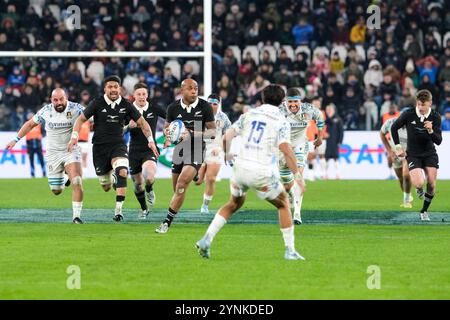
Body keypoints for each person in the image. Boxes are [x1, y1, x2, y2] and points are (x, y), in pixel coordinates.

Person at [195, 84, 306, 260]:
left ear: (262, 98)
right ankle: (290, 250)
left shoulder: (249, 114)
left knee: (233, 204)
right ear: (282, 102)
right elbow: (285, 147)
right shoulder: (281, 120)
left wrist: (226, 153)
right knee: (284, 203)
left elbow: (227, 136)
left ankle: (206, 239)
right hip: (261, 172)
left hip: (240, 169)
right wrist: (298, 177)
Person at [68, 75, 159, 222]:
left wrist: (151, 140)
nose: (113, 89)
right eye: (110, 87)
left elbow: (142, 122)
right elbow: (81, 119)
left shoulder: (126, 105)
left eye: (116, 87)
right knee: (106, 186)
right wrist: (74, 137)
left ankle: (118, 211)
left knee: (122, 171)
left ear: (120, 89)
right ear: (105, 89)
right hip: (99, 148)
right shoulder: (97, 103)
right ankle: (112, 177)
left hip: (118, 145)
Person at [6, 89, 84, 223]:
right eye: (55, 100)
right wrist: (15, 139)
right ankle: (66, 179)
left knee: (77, 181)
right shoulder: (46, 111)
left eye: (61, 99)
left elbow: (95, 116)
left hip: (70, 150)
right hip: (53, 154)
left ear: (66, 98)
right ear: (51, 100)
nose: (59, 102)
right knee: (56, 190)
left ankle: (76, 217)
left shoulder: (76, 108)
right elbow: (30, 124)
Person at [155, 79, 216, 233]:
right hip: (179, 150)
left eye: (196, 88)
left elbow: (213, 132)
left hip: (196, 148)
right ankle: (196, 176)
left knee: (182, 183)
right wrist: (169, 137)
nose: (194, 91)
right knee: (176, 188)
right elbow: (167, 128)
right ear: (182, 91)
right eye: (190, 88)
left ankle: (166, 222)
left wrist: (193, 133)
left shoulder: (204, 107)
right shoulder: (173, 108)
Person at [391, 90, 442, 221]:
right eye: (418, 104)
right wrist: (398, 147)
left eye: (423, 105)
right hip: (413, 154)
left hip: (429, 153)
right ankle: (419, 189)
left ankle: (424, 211)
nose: (420, 107)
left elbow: (439, 141)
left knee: (431, 184)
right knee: (419, 183)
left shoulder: (435, 117)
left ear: (430, 103)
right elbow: (394, 128)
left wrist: (431, 130)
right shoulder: (408, 114)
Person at [279, 89, 324, 224]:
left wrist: (319, 137)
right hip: (283, 145)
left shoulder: (309, 109)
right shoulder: (279, 110)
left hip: (300, 144)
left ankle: (297, 213)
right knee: (287, 184)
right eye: (290, 101)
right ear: (286, 101)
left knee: (298, 176)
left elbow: (320, 118)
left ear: (300, 101)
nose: (293, 104)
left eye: (295, 101)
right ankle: (291, 194)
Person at [124, 82, 166, 218]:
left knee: (149, 176)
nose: (142, 97)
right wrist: (127, 127)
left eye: (144, 94)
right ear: (134, 96)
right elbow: (118, 131)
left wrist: (170, 131)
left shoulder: (154, 108)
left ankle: (150, 189)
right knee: (137, 185)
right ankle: (144, 209)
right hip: (134, 151)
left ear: (147, 95)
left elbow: (170, 117)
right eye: (139, 94)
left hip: (150, 148)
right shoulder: (128, 110)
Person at [195, 94, 232, 214]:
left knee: (211, 179)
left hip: (216, 149)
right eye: (210, 103)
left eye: (215, 103)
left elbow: (228, 136)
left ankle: (205, 206)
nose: (212, 106)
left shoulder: (223, 118)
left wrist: (222, 149)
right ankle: (202, 169)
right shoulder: (199, 115)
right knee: (198, 181)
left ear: (218, 105)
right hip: (200, 149)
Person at [380, 113, 413, 208]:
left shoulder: (413, 124)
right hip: (395, 153)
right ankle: (408, 196)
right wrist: (389, 151)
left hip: (408, 153)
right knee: (400, 178)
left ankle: (407, 201)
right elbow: (382, 133)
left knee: (406, 175)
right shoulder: (390, 122)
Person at [324, 104, 344, 180]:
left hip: (335, 142)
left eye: (330, 110)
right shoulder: (325, 120)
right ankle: (325, 174)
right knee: (326, 158)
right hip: (327, 142)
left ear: (334, 110)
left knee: (336, 158)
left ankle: (338, 174)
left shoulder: (338, 119)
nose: (329, 111)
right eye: (327, 110)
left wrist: (340, 141)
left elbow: (341, 132)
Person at [24, 112, 46, 177]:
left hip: (38, 144)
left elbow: (44, 132)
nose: (30, 118)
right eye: (29, 117)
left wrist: (41, 136)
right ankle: (32, 174)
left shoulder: (39, 124)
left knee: (41, 159)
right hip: (30, 145)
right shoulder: (26, 125)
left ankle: (44, 172)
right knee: (31, 160)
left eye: (31, 117)